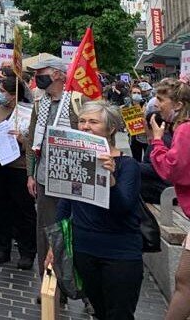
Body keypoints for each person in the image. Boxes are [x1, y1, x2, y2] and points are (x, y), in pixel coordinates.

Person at [49, 101, 143, 319]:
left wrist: (109, 178)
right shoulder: (75, 157)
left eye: (93, 122)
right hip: (84, 250)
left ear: (110, 129)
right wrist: (56, 245)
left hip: (119, 254)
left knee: (119, 314)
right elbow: (65, 204)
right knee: (100, 311)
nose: (85, 127)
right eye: (82, 121)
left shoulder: (127, 166)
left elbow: (122, 207)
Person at [18, 56, 79, 282]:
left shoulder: (76, 101)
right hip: (45, 178)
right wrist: (31, 174)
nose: (37, 77)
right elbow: (33, 140)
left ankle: (82, 290)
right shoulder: (39, 104)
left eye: (41, 73)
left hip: (75, 179)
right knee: (46, 231)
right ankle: (50, 284)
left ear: (57, 74)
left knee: (74, 231)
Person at [147, 77, 190, 320]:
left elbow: (171, 170)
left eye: (161, 100)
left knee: (184, 283)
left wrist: (156, 140)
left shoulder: (184, 129)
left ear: (178, 104)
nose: (156, 104)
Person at [0, 76, 36, 270]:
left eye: (4, 90)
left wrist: (22, 139)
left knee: (23, 210)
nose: (0, 93)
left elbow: (35, 141)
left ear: (14, 94)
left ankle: (27, 251)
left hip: (18, 167)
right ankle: (2, 248)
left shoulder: (28, 112)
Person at [128, 83, 149, 162]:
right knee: (136, 159)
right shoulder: (127, 107)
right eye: (134, 93)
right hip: (134, 137)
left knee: (147, 160)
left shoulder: (147, 106)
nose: (136, 95)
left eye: (138, 93)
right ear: (130, 94)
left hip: (146, 137)